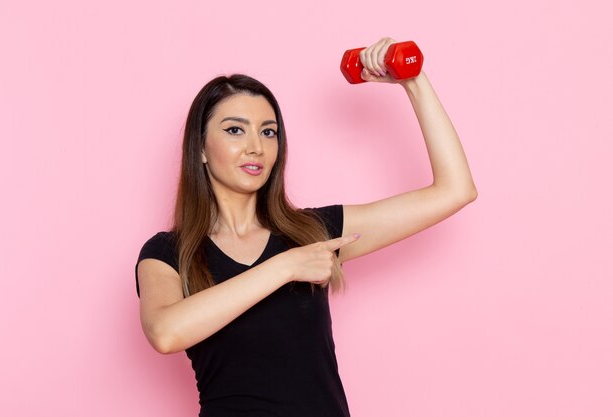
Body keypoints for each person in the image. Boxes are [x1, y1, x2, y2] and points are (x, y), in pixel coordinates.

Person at [135, 36, 477, 417]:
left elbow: (455, 190)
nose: (256, 147)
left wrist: (413, 81)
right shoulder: (168, 252)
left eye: (268, 132)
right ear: (199, 147)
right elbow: (165, 332)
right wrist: (286, 266)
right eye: (235, 130)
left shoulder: (313, 231)